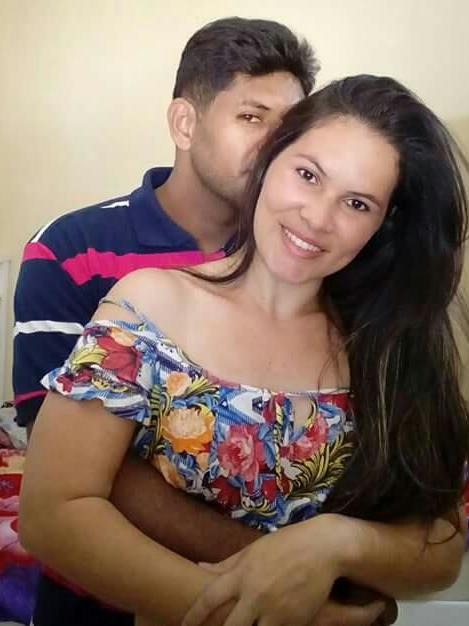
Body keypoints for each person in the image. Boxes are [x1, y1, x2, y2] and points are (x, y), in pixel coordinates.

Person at [19, 74, 469, 626]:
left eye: (356, 203)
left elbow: (441, 550)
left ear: (383, 225)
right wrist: (275, 616)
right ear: (268, 161)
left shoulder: (388, 344)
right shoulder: (148, 305)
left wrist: (334, 543)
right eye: (308, 175)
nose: (317, 218)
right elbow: (52, 513)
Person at [12, 16, 319, 626]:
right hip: (99, 600)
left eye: (289, 129)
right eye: (252, 117)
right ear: (185, 123)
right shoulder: (71, 250)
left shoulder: (299, 255)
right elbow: (61, 459)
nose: (275, 147)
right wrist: (272, 565)